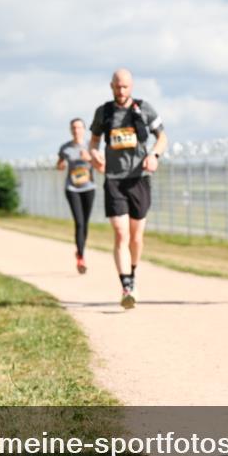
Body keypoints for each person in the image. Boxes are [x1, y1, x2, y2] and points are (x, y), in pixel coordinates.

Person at [88, 68, 168, 309]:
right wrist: (94, 155)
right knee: (121, 233)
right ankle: (126, 287)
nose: (121, 91)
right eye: (117, 86)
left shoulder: (144, 109)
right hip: (114, 179)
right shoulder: (104, 112)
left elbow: (162, 137)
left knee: (136, 237)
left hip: (139, 179)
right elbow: (93, 142)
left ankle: (132, 274)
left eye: (125, 87)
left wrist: (154, 155)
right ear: (111, 86)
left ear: (131, 87)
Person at [57, 118, 97, 274]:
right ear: (70, 130)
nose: (76, 130)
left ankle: (80, 250)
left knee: (85, 223)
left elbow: (101, 165)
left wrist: (90, 158)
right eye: (73, 127)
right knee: (79, 222)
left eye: (79, 127)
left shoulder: (91, 146)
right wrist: (60, 165)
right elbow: (59, 165)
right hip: (72, 188)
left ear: (84, 129)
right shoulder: (65, 148)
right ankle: (81, 257)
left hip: (89, 187)